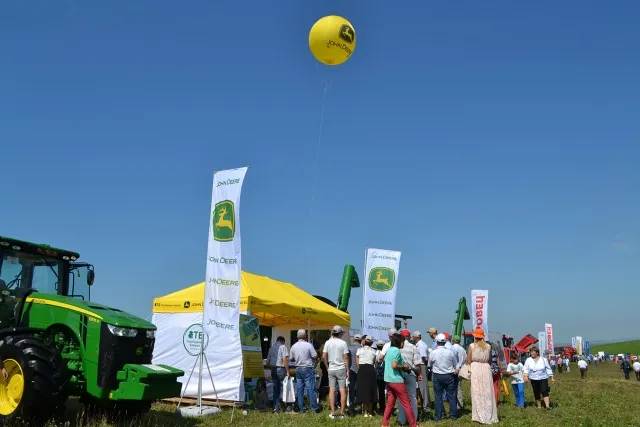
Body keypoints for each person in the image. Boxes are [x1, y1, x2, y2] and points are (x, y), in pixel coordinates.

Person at [382, 334, 417, 427]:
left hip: (388, 380)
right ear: (399, 342)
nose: (403, 343)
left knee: (390, 404)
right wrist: (404, 367)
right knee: (407, 404)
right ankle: (413, 424)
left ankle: (385, 424)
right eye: (402, 342)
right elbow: (394, 365)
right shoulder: (397, 351)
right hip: (397, 380)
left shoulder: (389, 350)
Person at [466, 327, 499, 424]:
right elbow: (490, 360)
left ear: (475, 336)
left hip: (475, 368)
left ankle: (478, 416)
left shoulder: (472, 346)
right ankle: (489, 414)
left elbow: (469, 360)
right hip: (486, 368)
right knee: (487, 391)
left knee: (477, 392)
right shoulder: (488, 346)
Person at [429, 333, 458, 422]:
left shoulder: (433, 353)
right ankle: (453, 416)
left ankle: (438, 416)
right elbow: (455, 364)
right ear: (445, 342)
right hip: (449, 375)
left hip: (437, 376)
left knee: (438, 397)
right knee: (451, 396)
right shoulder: (450, 352)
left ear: (437, 342)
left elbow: (429, 364)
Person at [289, 329, 320, 413]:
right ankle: (314, 408)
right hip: (307, 368)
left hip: (298, 368)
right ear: (305, 336)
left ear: (297, 337)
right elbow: (314, 356)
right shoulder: (309, 345)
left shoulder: (293, 346)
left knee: (300, 390)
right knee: (311, 389)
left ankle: (301, 409)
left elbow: (291, 358)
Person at [322, 325, 350, 419]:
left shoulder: (327, 342)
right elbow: (346, 357)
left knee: (332, 390)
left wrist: (327, 367)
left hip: (331, 368)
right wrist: (347, 370)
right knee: (342, 390)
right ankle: (342, 413)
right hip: (341, 368)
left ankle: (333, 413)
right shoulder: (343, 343)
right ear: (340, 333)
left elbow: (323, 357)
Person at [398, 329, 422, 425]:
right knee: (412, 397)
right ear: (409, 337)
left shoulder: (397, 347)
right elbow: (417, 364)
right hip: (410, 373)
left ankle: (402, 420)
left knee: (400, 398)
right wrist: (419, 374)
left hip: (399, 374)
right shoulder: (413, 347)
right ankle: (413, 419)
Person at [266, 336, 291, 412]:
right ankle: (288, 406)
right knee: (286, 387)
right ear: (282, 341)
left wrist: (271, 368)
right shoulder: (283, 347)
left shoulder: (271, 348)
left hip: (273, 370)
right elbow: (284, 359)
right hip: (281, 369)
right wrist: (287, 371)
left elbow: (267, 362)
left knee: (275, 389)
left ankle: (276, 406)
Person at [355, 336, 378, 417]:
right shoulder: (374, 351)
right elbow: (375, 362)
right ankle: (370, 411)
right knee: (371, 390)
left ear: (364, 341)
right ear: (371, 343)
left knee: (363, 390)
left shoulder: (359, 350)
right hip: (370, 369)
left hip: (362, 369)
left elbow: (357, 362)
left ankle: (365, 412)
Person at [413, 331, 431, 411]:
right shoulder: (419, 345)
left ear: (415, 337)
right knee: (420, 386)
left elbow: (425, 358)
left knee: (423, 386)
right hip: (419, 366)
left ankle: (426, 405)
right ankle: (424, 403)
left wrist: (425, 367)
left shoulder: (421, 345)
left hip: (422, 365)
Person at [451, 335, 467, 411]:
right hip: (461, 369)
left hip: (454, 369)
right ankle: (460, 403)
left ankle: (455, 404)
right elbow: (465, 359)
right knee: (459, 387)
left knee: (453, 387)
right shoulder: (463, 349)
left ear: (453, 340)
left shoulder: (452, 348)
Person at [374, 339, 387, 414]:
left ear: (377, 345)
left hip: (375, 373)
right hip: (383, 374)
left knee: (375, 390)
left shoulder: (374, 353)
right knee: (381, 391)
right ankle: (382, 407)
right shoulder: (385, 354)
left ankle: (374, 406)